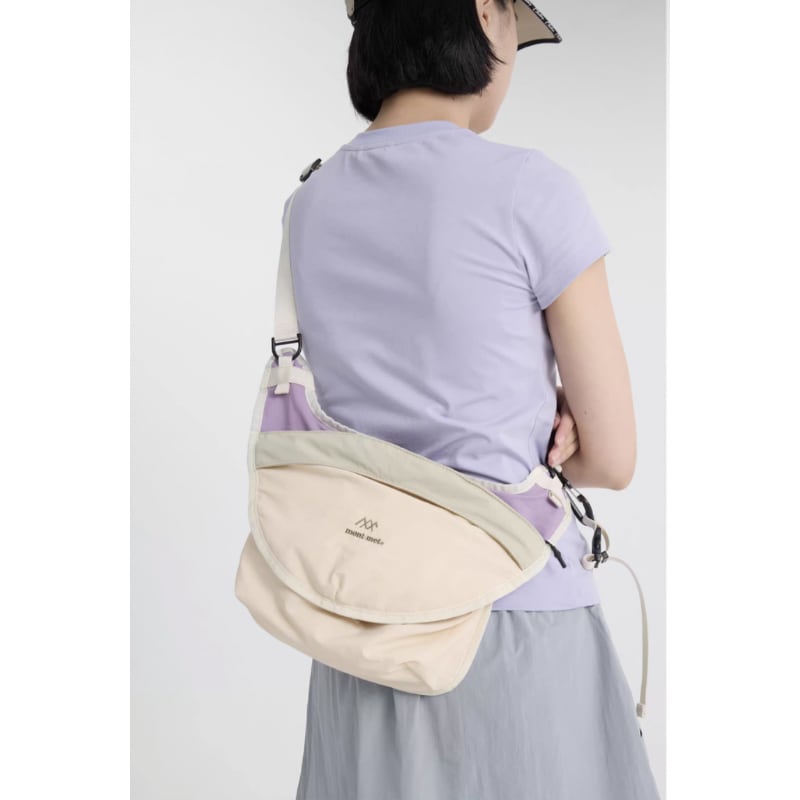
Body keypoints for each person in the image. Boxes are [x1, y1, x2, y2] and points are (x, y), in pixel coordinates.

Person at [287, 1, 661, 797]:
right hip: (512, 619)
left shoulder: (310, 203)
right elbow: (613, 457)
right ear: (487, 14)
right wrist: (547, 421)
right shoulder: (528, 188)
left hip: (362, 629)